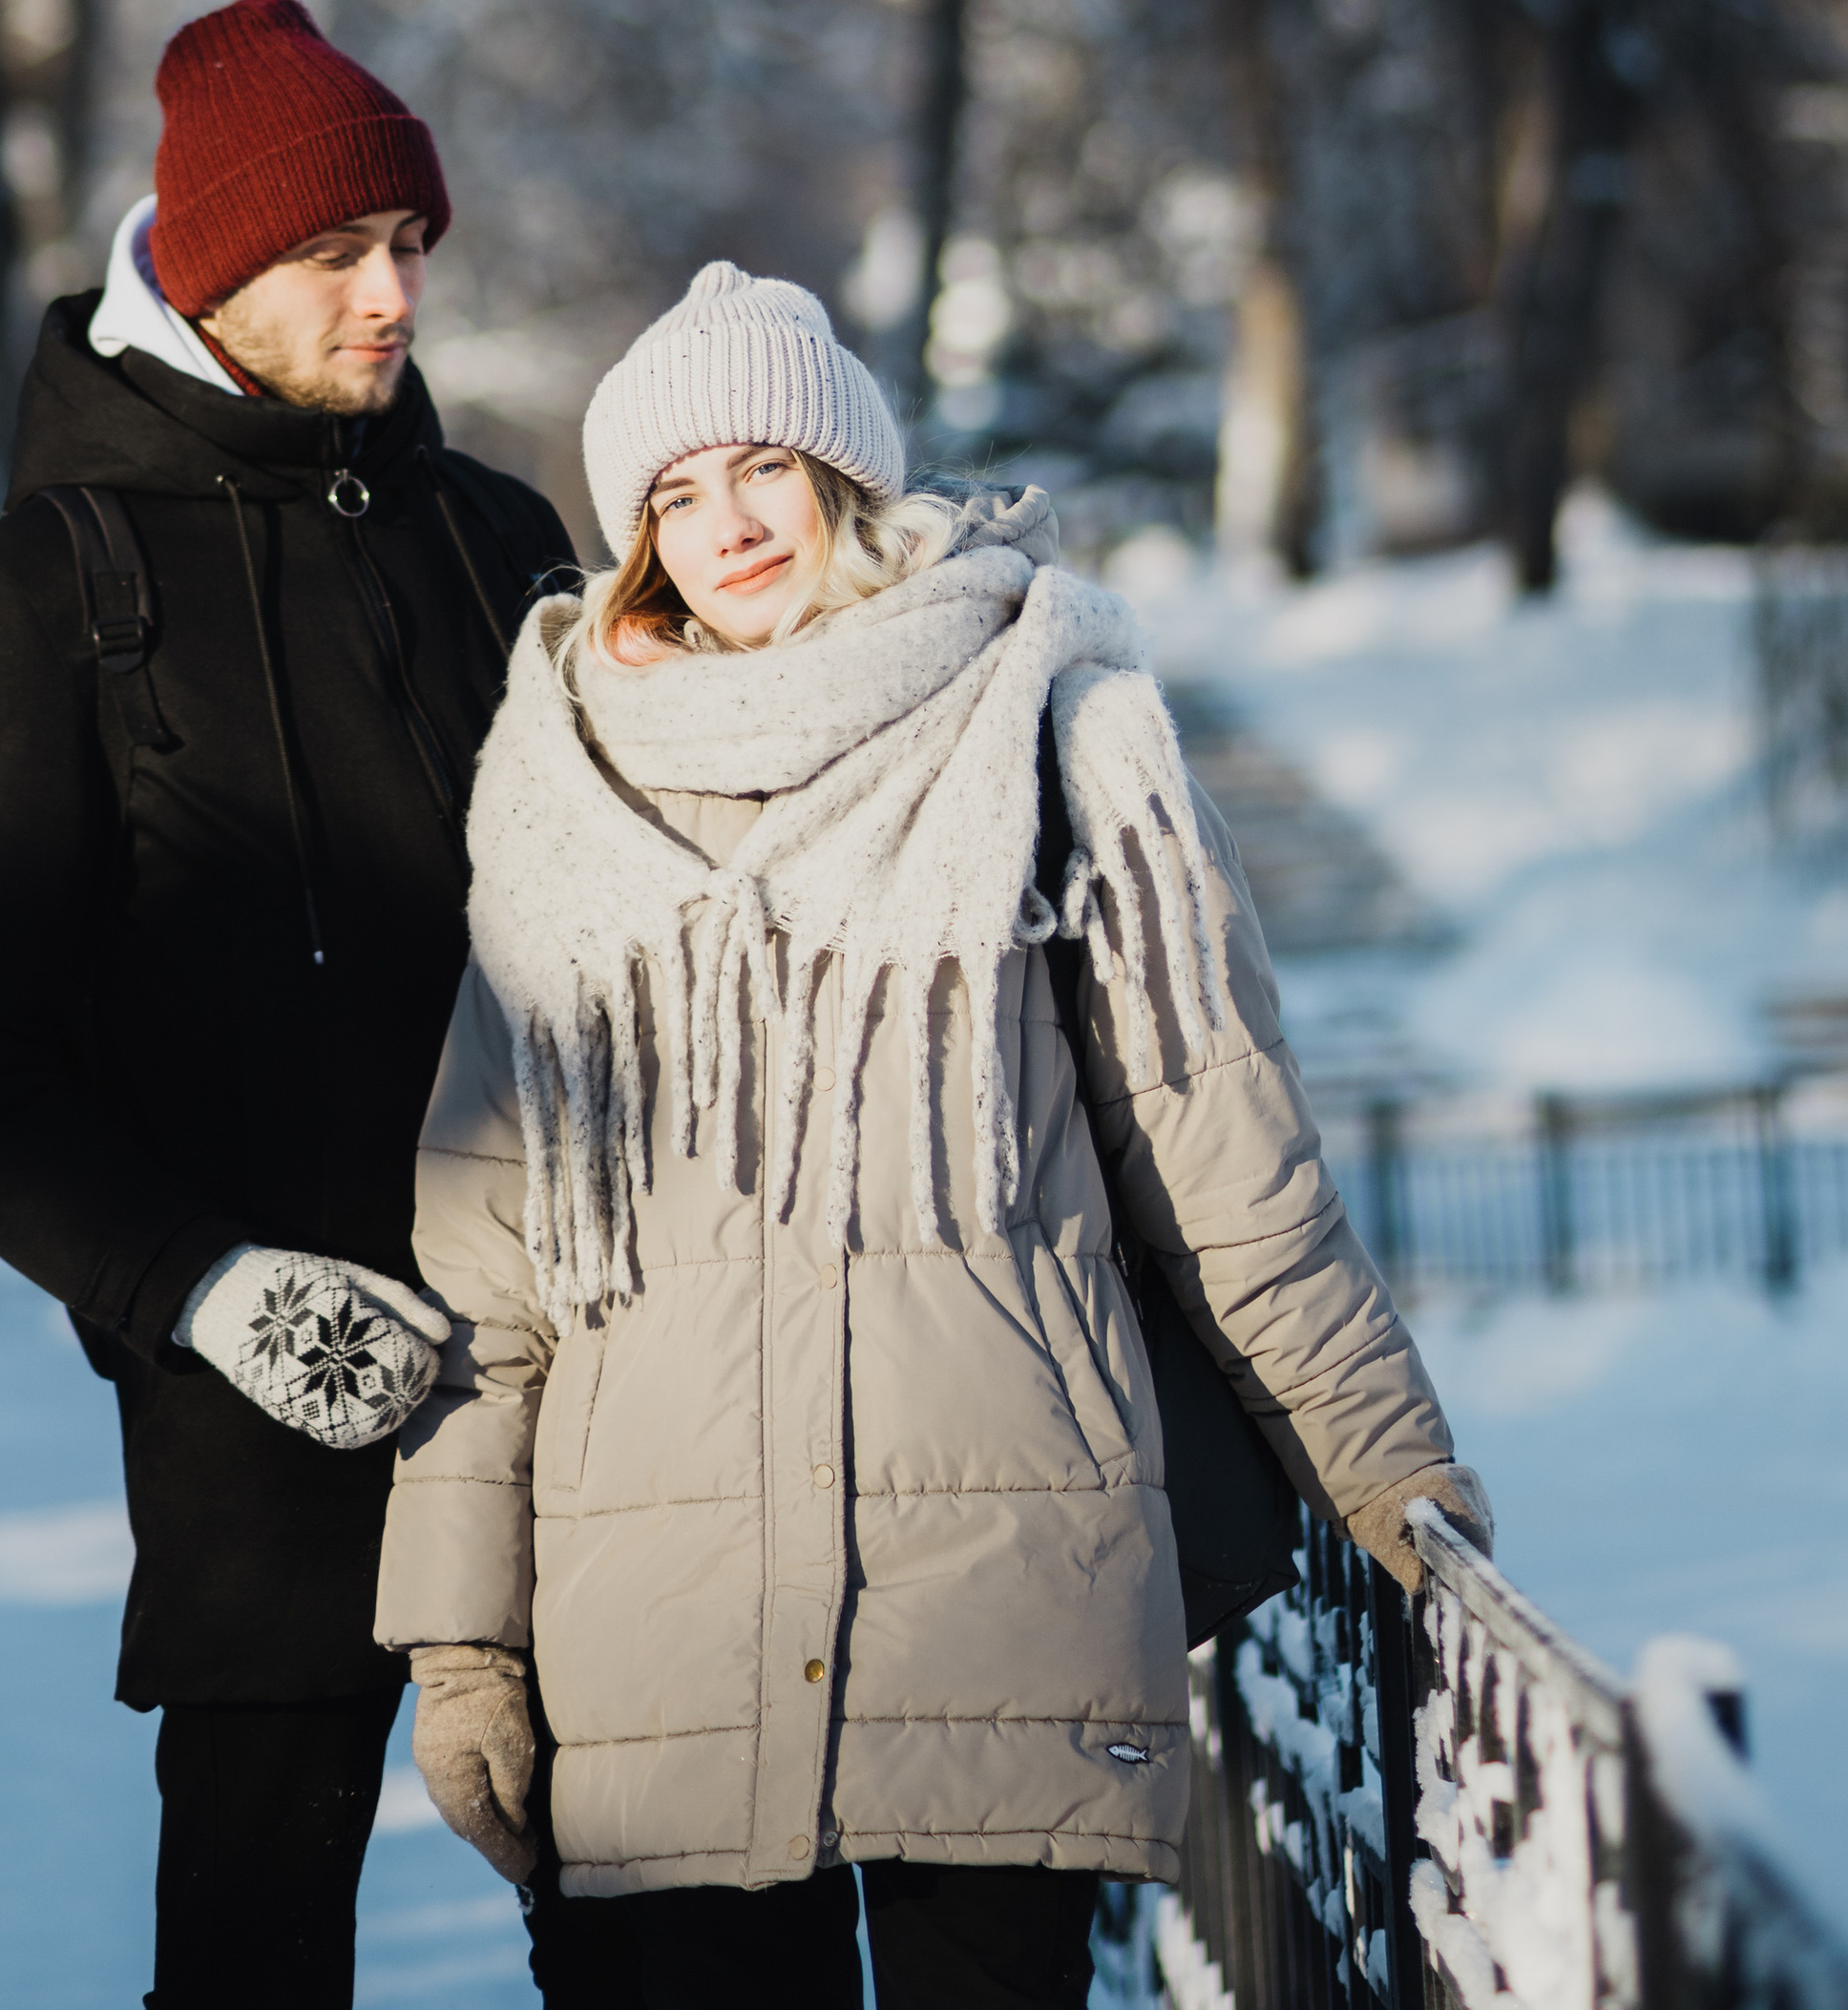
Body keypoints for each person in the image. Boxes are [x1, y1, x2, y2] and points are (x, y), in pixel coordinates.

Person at [375, 258, 1488, 2009]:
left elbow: (1226, 1167)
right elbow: (492, 1264)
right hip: (657, 1620)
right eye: (674, 491)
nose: (727, 524)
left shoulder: (1054, 733)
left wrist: (1394, 1479)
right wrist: (461, 1645)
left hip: (1000, 1590)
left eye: (762, 468)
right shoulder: (554, 790)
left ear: (842, 473)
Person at [0, 0, 575, 2010]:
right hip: (274, 1438)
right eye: (337, 256)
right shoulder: (40, 594)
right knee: (261, 1962)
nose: (392, 296)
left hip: (576, 1381)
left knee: (664, 1936)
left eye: (409, 247)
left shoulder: (495, 541)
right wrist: (202, 1288)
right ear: (210, 272)